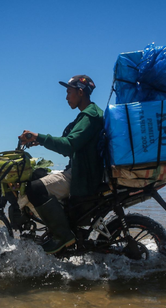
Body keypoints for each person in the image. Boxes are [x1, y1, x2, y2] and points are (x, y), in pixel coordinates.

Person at [18, 75, 104, 254]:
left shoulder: (90, 116)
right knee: (37, 176)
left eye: (69, 92)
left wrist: (39, 137)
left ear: (80, 92)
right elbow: (72, 145)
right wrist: (38, 142)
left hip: (83, 175)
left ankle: (63, 236)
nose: (66, 97)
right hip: (82, 169)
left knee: (35, 189)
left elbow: (70, 144)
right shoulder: (88, 115)